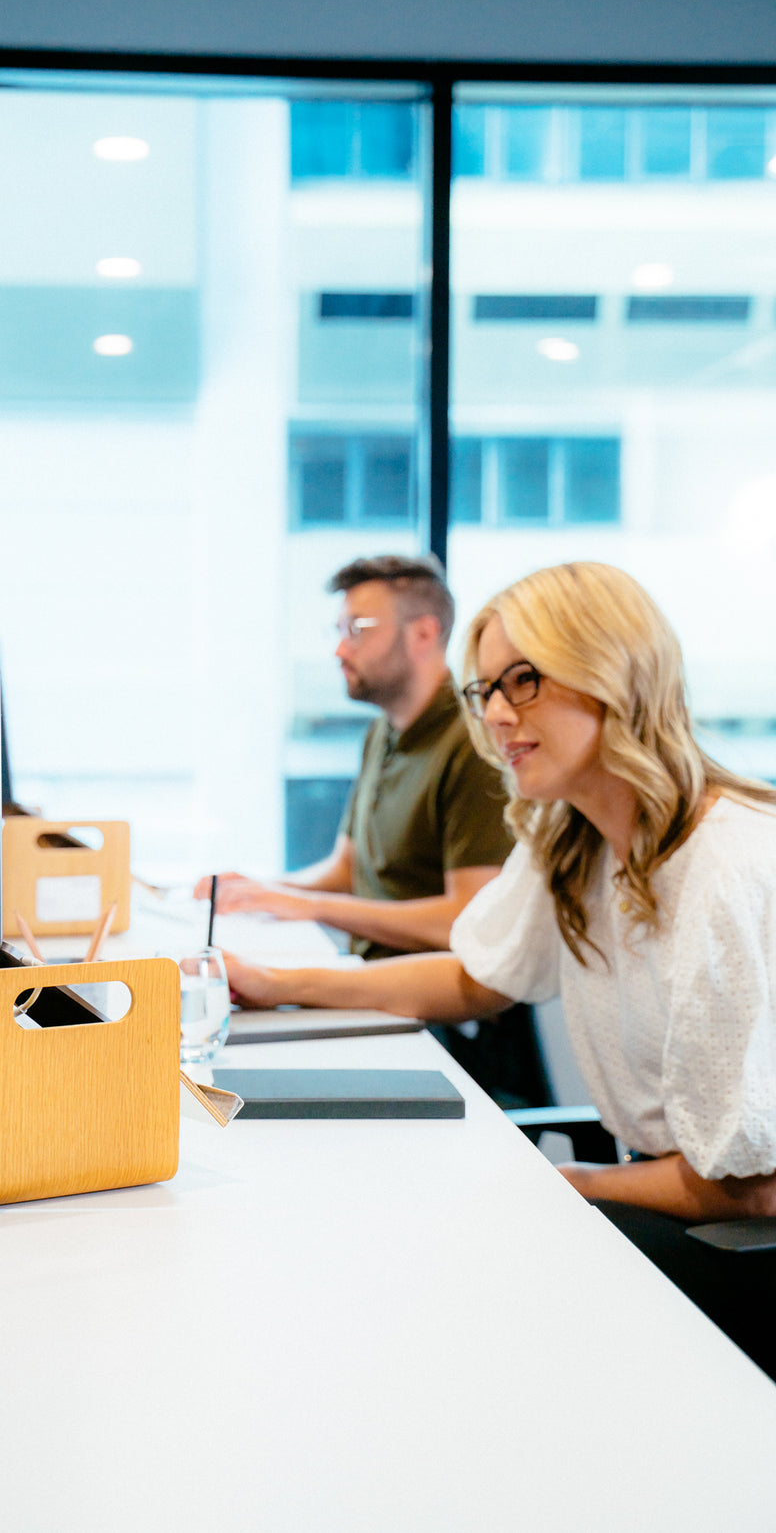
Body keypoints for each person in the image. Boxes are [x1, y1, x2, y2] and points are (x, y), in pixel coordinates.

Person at [227, 560, 776, 1375]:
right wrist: (283, 986)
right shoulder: (576, 834)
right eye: (483, 689)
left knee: (441, 1284)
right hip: (670, 1198)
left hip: (742, 1246)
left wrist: (570, 1183)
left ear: (614, 672)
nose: (495, 715)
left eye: (523, 680)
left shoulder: (726, 864)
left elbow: (753, 1189)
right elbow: (476, 976)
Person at [197, 555, 512, 956]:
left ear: (423, 634)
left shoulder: (476, 745)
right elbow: (347, 870)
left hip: (436, 1001)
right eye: (339, 631)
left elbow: (469, 918)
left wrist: (309, 906)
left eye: (357, 630)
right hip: (368, 968)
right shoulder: (383, 731)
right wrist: (260, 890)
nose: (340, 650)